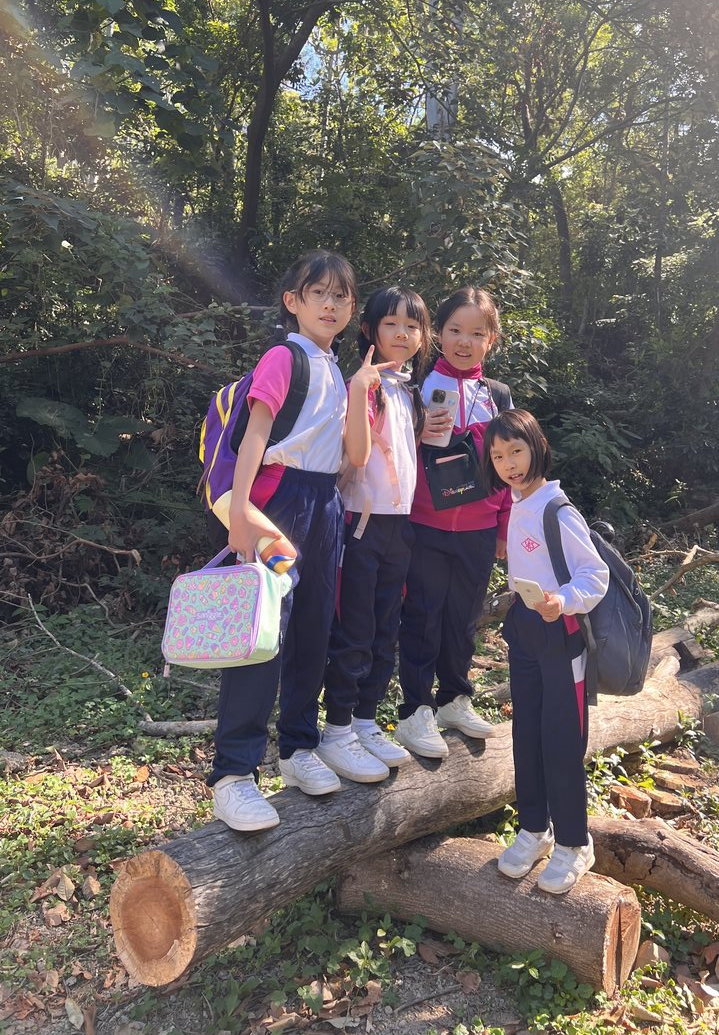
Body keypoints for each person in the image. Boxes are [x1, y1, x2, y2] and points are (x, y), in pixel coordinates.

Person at [211, 250, 386, 832]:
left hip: (325, 504)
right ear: (294, 301)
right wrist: (241, 511)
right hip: (279, 502)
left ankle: (298, 747)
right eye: (319, 293)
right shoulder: (283, 356)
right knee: (262, 631)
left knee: (313, 626)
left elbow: (352, 455)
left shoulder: (339, 370)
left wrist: (360, 390)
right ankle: (234, 774)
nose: (331, 304)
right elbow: (255, 435)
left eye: (342, 296)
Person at [482, 409, 609, 894]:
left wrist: (563, 601)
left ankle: (575, 842)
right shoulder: (516, 504)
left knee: (561, 740)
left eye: (516, 451)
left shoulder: (558, 510)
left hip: (561, 635)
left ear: (537, 447)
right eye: (498, 456)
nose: (509, 464)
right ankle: (535, 829)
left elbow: (594, 576)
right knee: (527, 735)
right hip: (525, 631)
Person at [317, 286, 433, 782]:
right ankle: (337, 729)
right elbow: (356, 455)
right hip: (360, 525)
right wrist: (361, 389)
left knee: (386, 629)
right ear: (369, 330)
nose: (402, 333)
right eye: (391, 324)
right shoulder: (363, 386)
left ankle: (365, 721)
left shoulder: (406, 390)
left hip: (398, 528)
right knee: (355, 630)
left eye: (412, 325)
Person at [396, 286, 512, 759]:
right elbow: (391, 455)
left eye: (477, 333)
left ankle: (454, 698)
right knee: (422, 615)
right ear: (437, 335)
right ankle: (415, 710)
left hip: (479, 528)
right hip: (423, 524)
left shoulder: (498, 396)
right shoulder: (414, 386)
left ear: (491, 340)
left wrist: (504, 525)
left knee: (464, 617)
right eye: (455, 330)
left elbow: (510, 463)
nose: (465, 342)